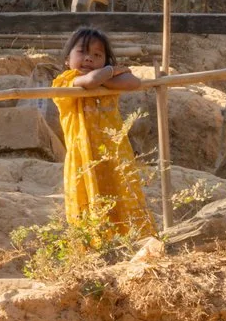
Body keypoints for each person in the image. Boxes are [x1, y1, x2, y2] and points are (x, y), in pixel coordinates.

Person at [51, 26, 155, 248]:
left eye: (97, 55)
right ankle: (92, 250)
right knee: (88, 201)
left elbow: (133, 82)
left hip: (115, 156)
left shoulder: (105, 81)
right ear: (67, 59)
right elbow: (88, 82)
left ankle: (128, 245)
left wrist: (104, 76)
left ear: (106, 59)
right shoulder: (64, 81)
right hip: (83, 159)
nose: (89, 58)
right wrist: (109, 71)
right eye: (82, 52)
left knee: (121, 196)